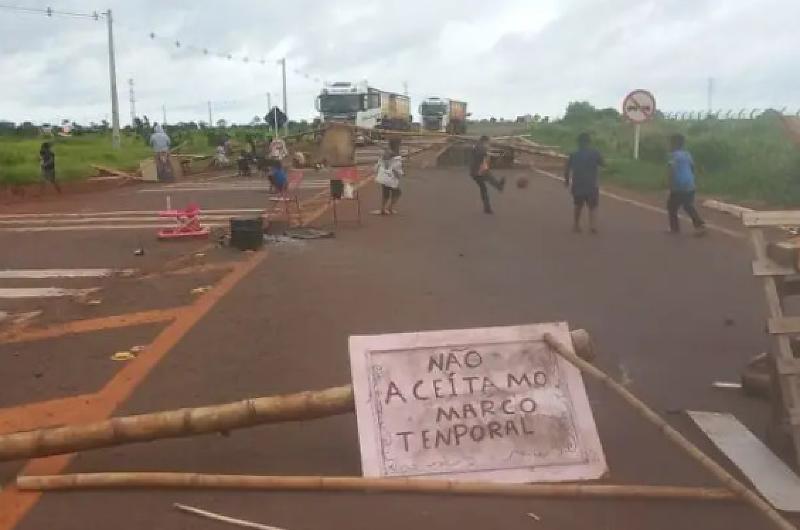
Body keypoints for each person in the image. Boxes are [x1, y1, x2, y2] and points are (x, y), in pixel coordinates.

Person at [564, 132, 604, 233]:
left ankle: (576, 225)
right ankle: (592, 226)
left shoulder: (573, 154)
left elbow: (567, 169)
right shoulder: (595, 153)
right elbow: (603, 164)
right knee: (593, 206)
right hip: (591, 184)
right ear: (589, 142)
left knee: (578, 205)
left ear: (578, 143)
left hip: (578, 184)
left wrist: (567, 181)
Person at [667, 134, 705, 235]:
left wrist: (669, 183)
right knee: (688, 205)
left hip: (679, 185)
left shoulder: (673, 155)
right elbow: (692, 168)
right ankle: (700, 225)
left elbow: (672, 169)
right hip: (689, 184)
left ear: (673, 144)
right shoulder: (687, 154)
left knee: (672, 207)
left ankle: (675, 229)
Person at [469, 135, 505, 214]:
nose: (489, 143)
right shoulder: (481, 147)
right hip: (478, 171)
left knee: (484, 188)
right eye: (488, 142)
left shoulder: (478, 146)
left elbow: (486, 153)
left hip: (476, 171)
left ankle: (487, 207)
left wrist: (494, 154)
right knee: (485, 185)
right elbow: (484, 153)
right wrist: (496, 155)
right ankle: (499, 187)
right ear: (485, 141)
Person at [375, 137, 403, 215]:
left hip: (388, 177)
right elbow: (387, 165)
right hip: (389, 177)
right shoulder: (391, 152)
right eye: (399, 143)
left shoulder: (391, 151)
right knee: (396, 192)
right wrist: (394, 171)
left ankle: (385, 209)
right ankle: (386, 209)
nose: (400, 145)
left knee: (388, 193)